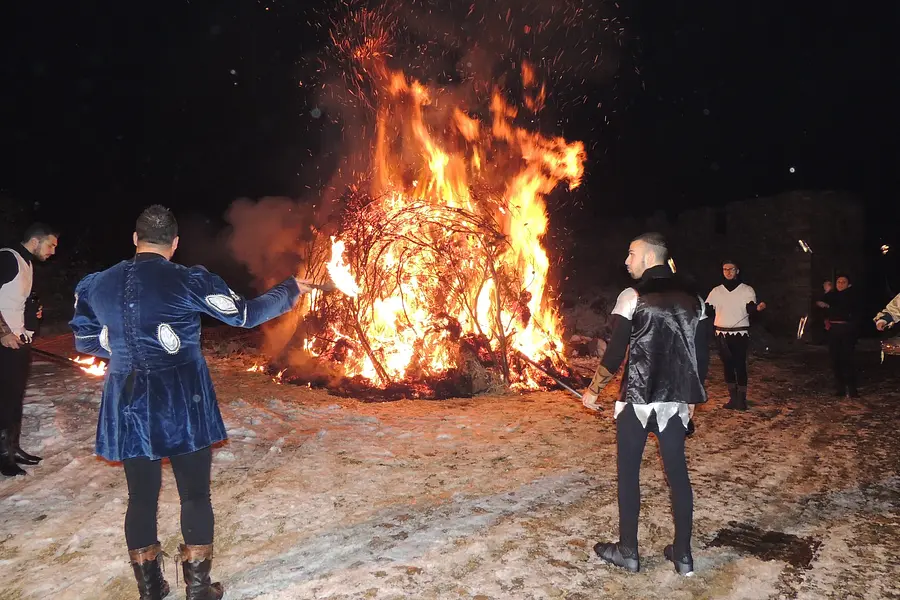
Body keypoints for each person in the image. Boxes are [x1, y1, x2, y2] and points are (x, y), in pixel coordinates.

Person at [70, 206, 317, 600]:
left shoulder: (97, 285)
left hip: (129, 403)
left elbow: (85, 341)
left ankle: (151, 590)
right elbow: (245, 315)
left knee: (140, 498)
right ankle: (198, 589)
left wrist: (122, 344)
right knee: (195, 495)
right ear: (175, 244)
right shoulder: (188, 280)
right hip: (181, 403)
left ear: (135, 239)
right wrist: (289, 290)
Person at [581, 232, 709, 576]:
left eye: (632, 253)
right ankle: (683, 556)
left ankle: (629, 551)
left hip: (637, 402)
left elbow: (615, 349)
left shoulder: (632, 296)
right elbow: (701, 357)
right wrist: (693, 398)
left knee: (629, 475)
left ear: (650, 257)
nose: (627, 261)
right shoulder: (695, 300)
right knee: (678, 477)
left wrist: (594, 389)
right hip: (673, 405)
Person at [0, 223, 59, 477]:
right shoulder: (7, 258)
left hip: (19, 341)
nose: (53, 251)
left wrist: (31, 314)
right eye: (51, 245)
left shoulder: (27, 263)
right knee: (4, 400)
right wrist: (2, 331)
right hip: (4, 343)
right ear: (35, 241)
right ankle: (3, 457)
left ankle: (12, 447)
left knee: (15, 399)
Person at [704, 260, 766, 410]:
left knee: (739, 365)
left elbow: (751, 309)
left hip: (739, 333)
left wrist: (757, 309)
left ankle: (742, 400)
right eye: (725, 269)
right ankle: (733, 398)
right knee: (727, 366)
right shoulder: (716, 291)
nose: (728, 272)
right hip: (721, 333)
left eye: (731, 269)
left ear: (737, 271)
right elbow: (707, 309)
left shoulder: (746, 290)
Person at [817, 275, 861, 397]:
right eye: (838, 282)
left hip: (847, 330)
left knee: (847, 358)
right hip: (834, 330)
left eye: (843, 282)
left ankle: (852, 388)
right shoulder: (832, 295)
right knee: (835, 358)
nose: (840, 284)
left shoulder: (853, 296)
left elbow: (850, 311)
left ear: (849, 284)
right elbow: (820, 303)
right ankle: (840, 388)